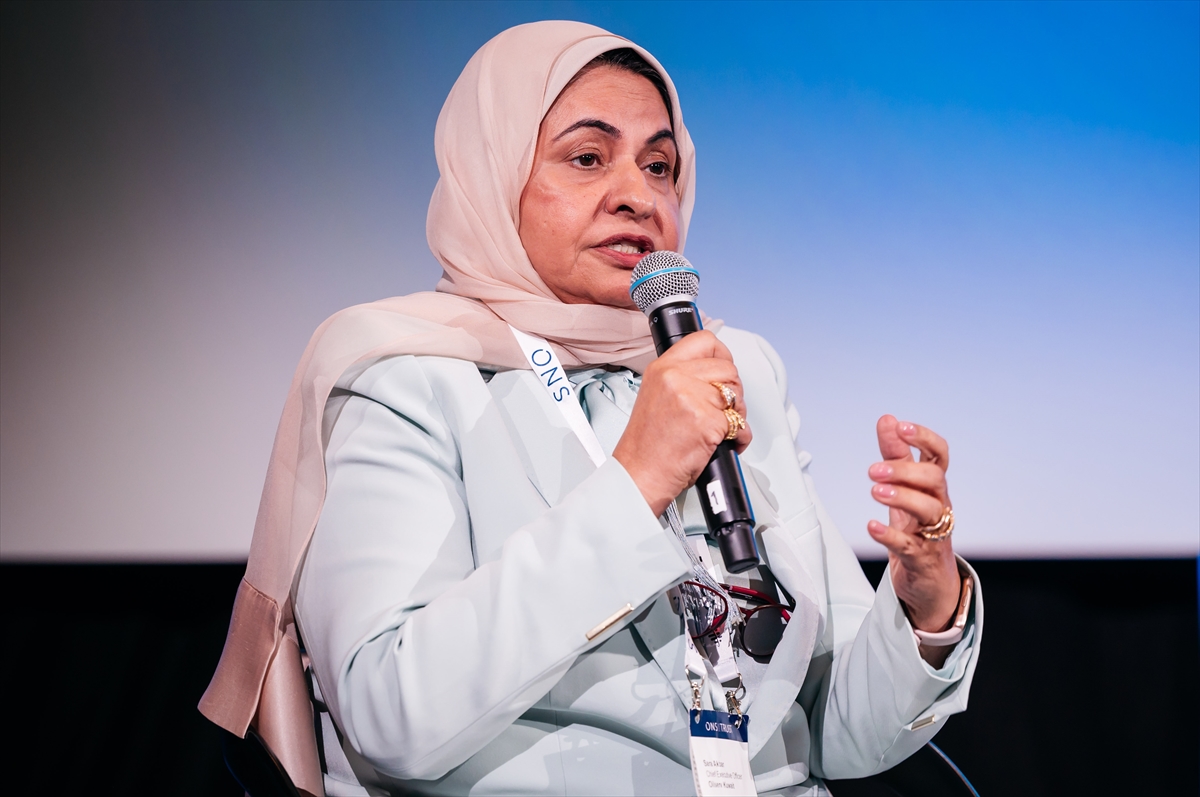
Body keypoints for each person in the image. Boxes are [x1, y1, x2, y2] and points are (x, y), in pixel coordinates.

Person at [200, 21, 982, 797]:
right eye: (587, 158)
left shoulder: (732, 368)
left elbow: (841, 735)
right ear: (494, 175)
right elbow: (393, 715)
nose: (637, 195)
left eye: (659, 165)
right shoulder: (402, 373)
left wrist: (925, 604)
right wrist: (636, 481)